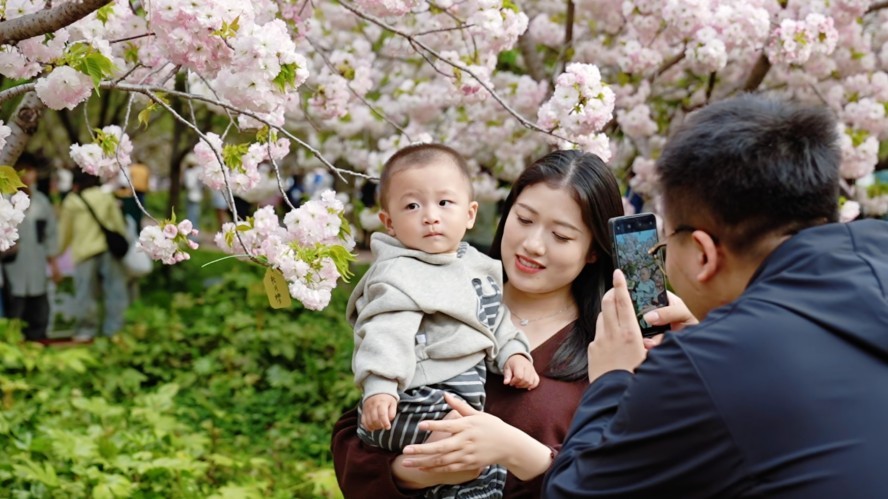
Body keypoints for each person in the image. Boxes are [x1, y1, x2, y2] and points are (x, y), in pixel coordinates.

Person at [542, 94, 888, 497]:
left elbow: (572, 492)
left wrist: (611, 380)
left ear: (703, 254)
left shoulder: (703, 365)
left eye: (666, 244)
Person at [332, 148, 626, 498]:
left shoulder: (613, 347)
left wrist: (518, 452)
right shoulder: (433, 291)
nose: (532, 245)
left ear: (593, 250)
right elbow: (357, 441)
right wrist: (416, 473)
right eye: (525, 220)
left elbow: (621, 477)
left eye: (561, 236)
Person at [348, 143, 538, 498]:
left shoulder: (476, 267)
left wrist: (514, 354)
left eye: (444, 203)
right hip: (409, 401)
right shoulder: (400, 273)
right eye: (412, 205)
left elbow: (494, 319)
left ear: (470, 214)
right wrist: (380, 386)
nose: (430, 216)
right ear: (389, 223)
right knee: (468, 442)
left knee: (486, 466)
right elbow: (384, 331)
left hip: (456, 400)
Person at [58, 170, 129, 341]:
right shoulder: (105, 197)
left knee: (85, 294)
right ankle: (114, 331)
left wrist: (56, 254)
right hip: (107, 251)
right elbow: (118, 225)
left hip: (83, 252)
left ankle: (86, 331)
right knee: (114, 291)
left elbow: (64, 232)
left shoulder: (71, 201)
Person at [1, 154, 61, 341]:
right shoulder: (5, 201)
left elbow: (50, 234)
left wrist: (54, 263)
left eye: (31, 170)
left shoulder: (42, 202)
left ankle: (38, 348)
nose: (27, 175)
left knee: (39, 313)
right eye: (22, 169)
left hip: (36, 266)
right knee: (14, 314)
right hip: (12, 267)